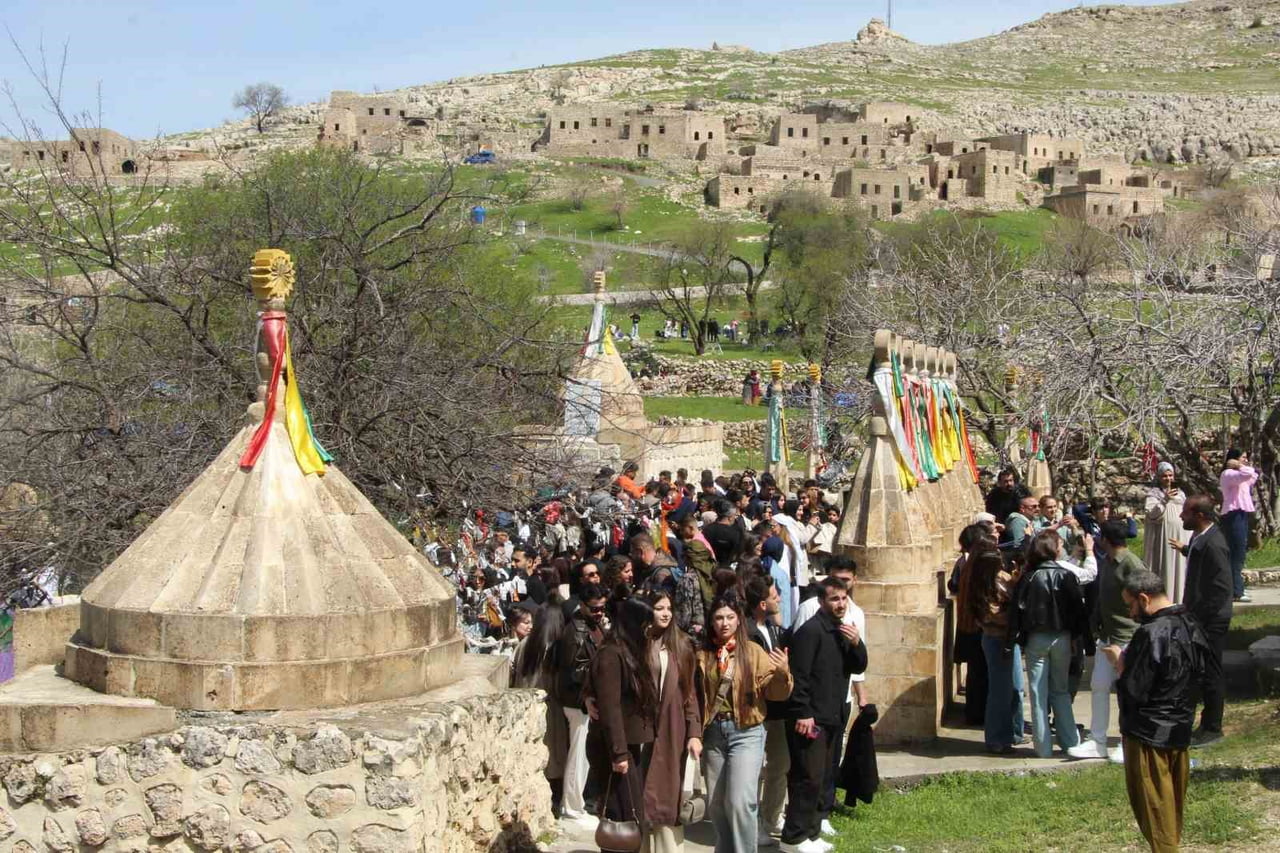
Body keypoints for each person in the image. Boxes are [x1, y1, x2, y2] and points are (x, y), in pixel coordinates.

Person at [1117, 570, 1218, 853]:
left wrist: (1120, 664)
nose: (1131, 612)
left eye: (1131, 605)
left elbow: (1135, 689)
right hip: (1180, 729)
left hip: (1148, 736)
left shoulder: (1149, 634)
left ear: (1144, 598)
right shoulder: (1192, 623)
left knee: (1156, 814)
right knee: (1171, 811)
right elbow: (1208, 677)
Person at [594, 593, 701, 853]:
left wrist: (694, 731)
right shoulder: (627, 647)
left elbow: (690, 693)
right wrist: (588, 698)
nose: (665, 613)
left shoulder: (682, 645)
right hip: (634, 738)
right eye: (658, 608)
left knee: (666, 804)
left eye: (669, 608)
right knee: (633, 805)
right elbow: (606, 690)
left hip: (669, 733)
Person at [698, 593, 793, 853]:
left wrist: (783, 673)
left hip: (747, 731)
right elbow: (694, 696)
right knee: (717, 804)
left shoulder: (753, 651)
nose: (724, 623)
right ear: (711, 621)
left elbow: (775, 693)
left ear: (739, 620)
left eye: (730, 617)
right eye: (718, 618)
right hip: (714, 732)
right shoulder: (703, 654)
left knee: (741, 801)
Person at [782, 576, 868, 853]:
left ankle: (812, 830)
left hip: (833, 714)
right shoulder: (811, 631)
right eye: (834, 599)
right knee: (807, 776)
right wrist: (804, 713)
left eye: (843, 598)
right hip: (812, 719)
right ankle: (793, 837)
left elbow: (857, 666)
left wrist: (857, 644)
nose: (840, 604)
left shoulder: (842, 630)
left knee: (822, 777)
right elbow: (800, 677)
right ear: (821, 602)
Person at [1069, 520, 1143, 762]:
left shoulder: (1131, 563)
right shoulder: (1107, 562)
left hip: (1127, 637)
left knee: (1125, 692)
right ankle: (1098, 741)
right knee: (1099, 686)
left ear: (1105, 540)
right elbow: (1103, 596)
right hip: (1107, 636)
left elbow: (1145, 595)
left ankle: (1127, 741)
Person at [1011, 530, 1087, 758]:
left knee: (1037, 692)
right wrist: (1078, 638)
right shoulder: (1066, 576)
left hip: (1036, 637)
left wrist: (1013, 640)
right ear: (1053, 549)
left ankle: (1042, 747)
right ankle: (1070, 741)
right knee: (1060, 690)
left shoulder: (1029, 577)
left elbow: (1017, 611)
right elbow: (1078, 612)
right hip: (1062, 637)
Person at [1170, 495, 1233, 747]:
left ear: (1200, 516)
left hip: (1211, 620)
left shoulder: (1215, 543)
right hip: (1199, 617)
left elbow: (1220, 587)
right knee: (1199, 671)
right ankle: (1200, 723)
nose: (1181, 516)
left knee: (1211, 673)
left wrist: (1202, 619)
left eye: (1186, 512)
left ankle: (1212, 727)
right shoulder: (1200, 538)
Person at [555, 582, 608, 822]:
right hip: (578, 702)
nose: (599, 613)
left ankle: (577, 805)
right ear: (583, 606)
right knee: (579, 755)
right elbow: (575, 670)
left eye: (602, 608)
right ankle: (572, 807)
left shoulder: (593, 626)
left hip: (589, 700)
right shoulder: (576, 632)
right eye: (595, 609)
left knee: (585, 755)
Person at [512, 603, 569, 814]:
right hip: (551, 709)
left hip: (525, 707)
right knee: (554, 756)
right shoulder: (555, 649)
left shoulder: (525, 644)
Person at [969, 542, 1025, 754]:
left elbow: (1014, 591)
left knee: (1016, 688)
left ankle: (1014, 733)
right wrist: (1014, 616)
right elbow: (990, 616)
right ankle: (996, 739)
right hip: (995, 640)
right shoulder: (982, 588)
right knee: (999, 692)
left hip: (1010, 639)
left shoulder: (1003, 578)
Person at [745, 575, 788, 845]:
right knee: (753, 772)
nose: (779, 600)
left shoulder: (773, 627)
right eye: (774, 597)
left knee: (780, 765)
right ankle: (752, 824)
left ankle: (772, 818)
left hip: (778, 710)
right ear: (762, 603)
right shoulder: (748, 632)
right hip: (756, 712)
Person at [949, 524, 992, 727]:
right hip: (977, 627)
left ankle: (976, 712)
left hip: (971, 626)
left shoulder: (969, 563)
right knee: (979, 673)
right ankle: (977, 713)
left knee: (977, 673)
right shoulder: (972, 564)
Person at [1144, 462, 1188, 604]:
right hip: (1164, 539)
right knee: (1166, 568)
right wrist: (1164, 500)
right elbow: (1151, 515)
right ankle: (1166, 599)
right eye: (1165, 476)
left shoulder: (1180, 494)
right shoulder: (1153, 494)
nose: (1168, 479)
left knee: (1181, 567)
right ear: (1159, 477)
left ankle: (1180, 598)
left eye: (1170, 475)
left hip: (1181, 536)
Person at [1218, 448, 1258, 602]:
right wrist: (1237, 465)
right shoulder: (1228, 474)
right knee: (1236, 553)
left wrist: (1241, 466)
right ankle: (1236, 591)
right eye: (1242, 458)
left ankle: (1237, 587)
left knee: (1239, 552)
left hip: (1240, 514)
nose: (1245, 461)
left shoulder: (1239, 475)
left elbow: (1253, 475)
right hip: (1233, 514)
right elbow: (1248, 473)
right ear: (1234, 459)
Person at [703, 500, 745, 570]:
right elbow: (739, 553)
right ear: (730, 517)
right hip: (727, 570)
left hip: (709, 568)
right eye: (734, 516)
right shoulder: (736, 532)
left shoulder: (707, 529)